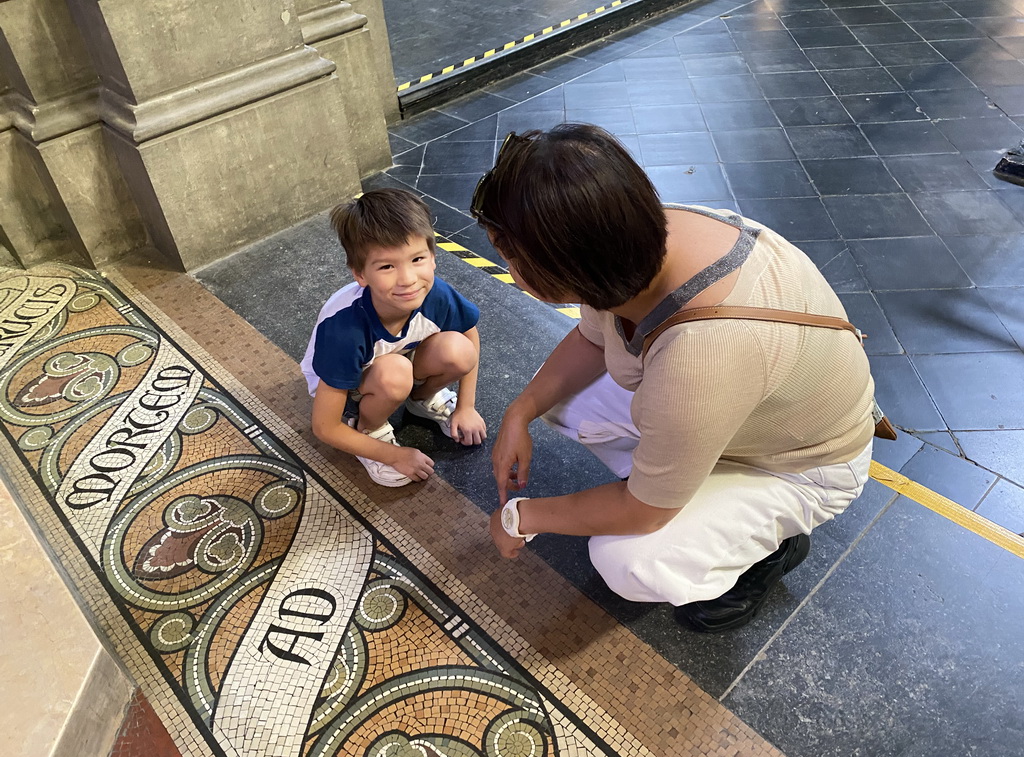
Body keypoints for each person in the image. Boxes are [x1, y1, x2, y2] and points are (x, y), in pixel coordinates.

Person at [472, 124, 875, 632]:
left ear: (561, 269)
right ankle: (682, 477)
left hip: (801, 465)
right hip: (740, 407)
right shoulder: (634, 239)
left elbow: (643, 514)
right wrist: (519, 412)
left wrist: (519, 518)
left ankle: (770, 547)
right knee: (561, 400)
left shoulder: (705, 356)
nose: (508, 269)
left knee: (628, 560)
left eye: (508, 256)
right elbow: (595, 339)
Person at [301, 188, 486, 487]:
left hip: (397, 357)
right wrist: (391, 455)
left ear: (433, 256)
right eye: (387, 266)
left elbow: (470, 336)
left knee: (458, 350)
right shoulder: (344, 329)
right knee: (395, 374)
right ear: (360, 274)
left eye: (417, 259)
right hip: (347, 384)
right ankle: (368, 427)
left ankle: (420, 400)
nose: (408, 279)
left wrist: (466, 406)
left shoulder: (434, 293)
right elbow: (324, 426)